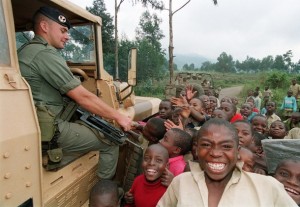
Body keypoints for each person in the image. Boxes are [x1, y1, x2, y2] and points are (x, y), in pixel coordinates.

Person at [18, 6, 132, 179]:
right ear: (44, 26)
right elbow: (83, 97)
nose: (67, 37)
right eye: (63, 30)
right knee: (111, 140)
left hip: (33, 123)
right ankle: (104, 194)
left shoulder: (27, 50)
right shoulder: (44, 54)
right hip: (50, 128)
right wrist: (119, 117)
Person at [157, 119, 297, 207]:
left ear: (237, 152)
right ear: (196, 149)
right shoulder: (180, 182)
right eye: (206, 144)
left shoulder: (267, 186)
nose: (215, 153)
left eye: (226, 146)